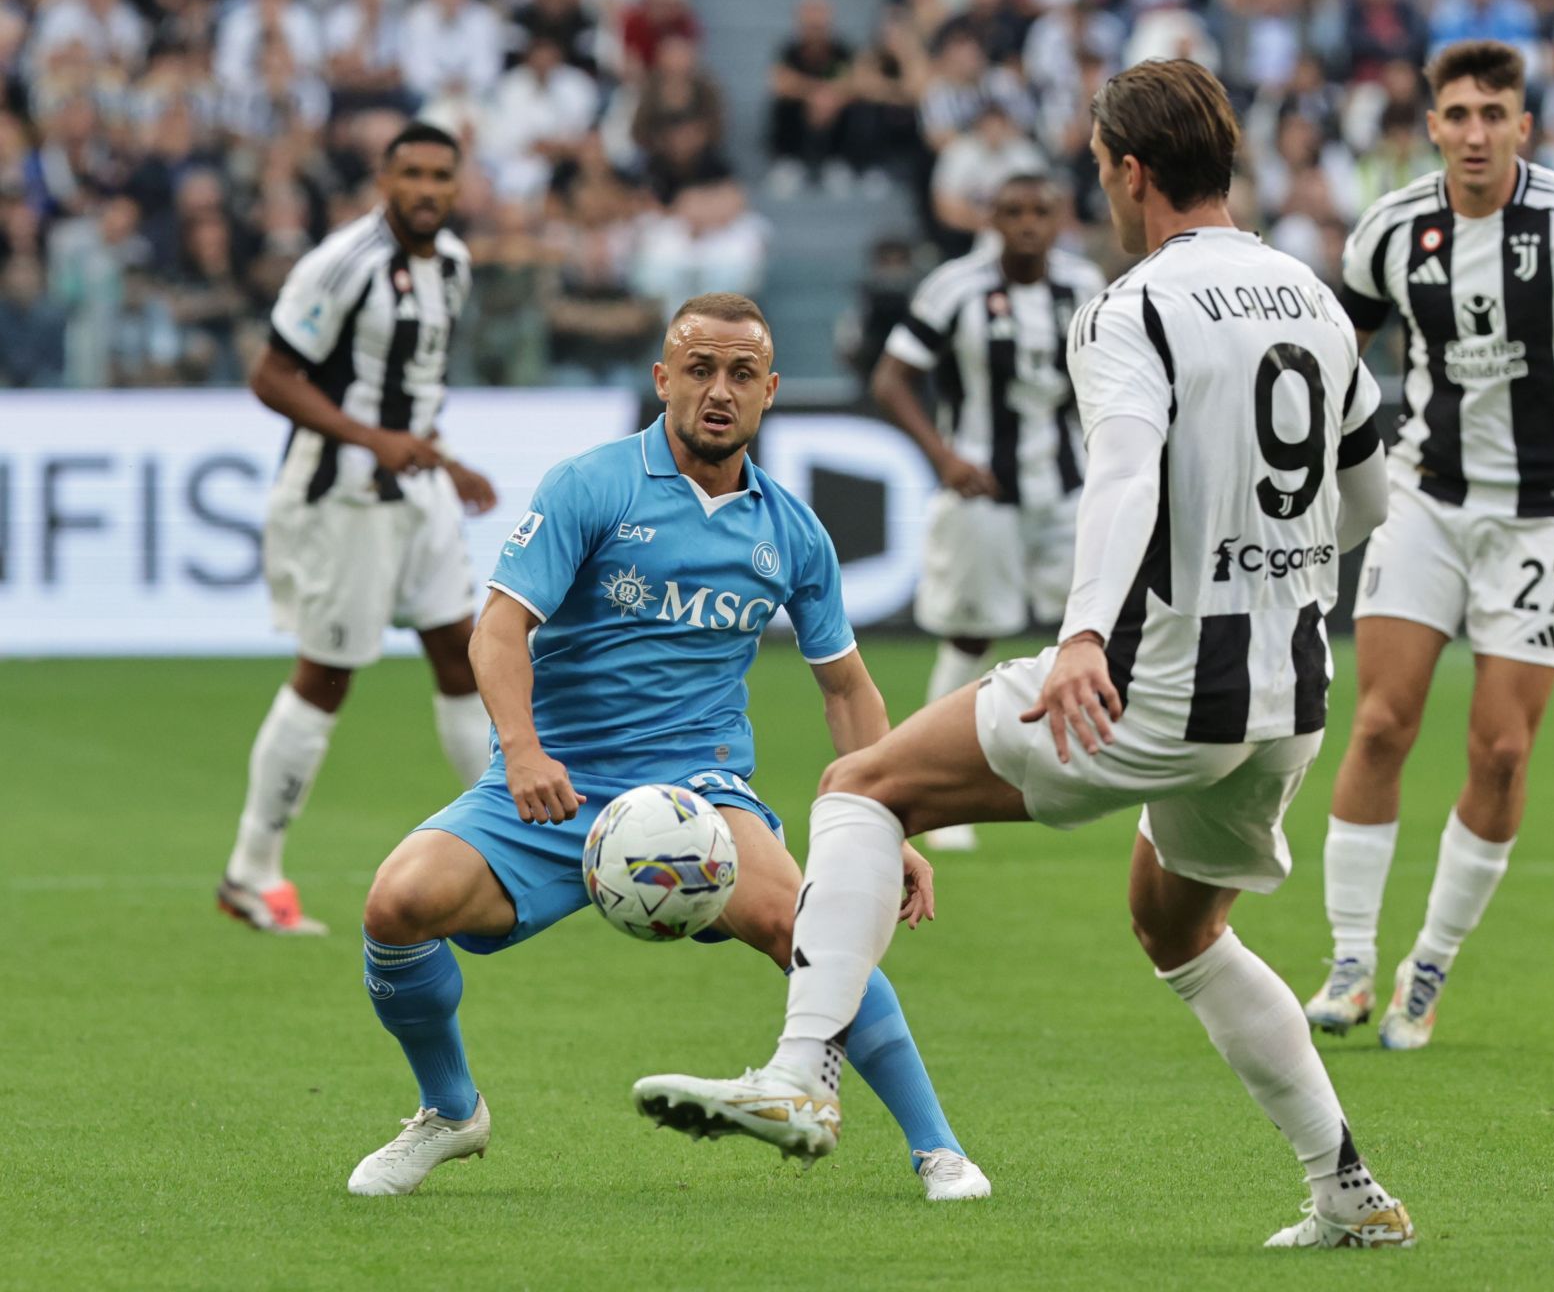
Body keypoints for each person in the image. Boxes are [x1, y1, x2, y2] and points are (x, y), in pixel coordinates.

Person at [637, 61, 1416, 1252]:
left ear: (1132, 172)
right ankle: (1346, 1190)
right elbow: (1363, 496)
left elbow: (1120, 474)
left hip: (1152, 683)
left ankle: (801, 1071)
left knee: (860, 788)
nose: (1098, 190)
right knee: (1178, 928)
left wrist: (1088, 633)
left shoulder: (1133, 304)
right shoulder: (1307, 295)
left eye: (1101, 169)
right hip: (1287, 694)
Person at [347, 294, 990, 1204]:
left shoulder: (793, 532)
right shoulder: (592, 484)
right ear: (663, 380)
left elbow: (847, 688)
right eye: (698, 370)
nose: (717, 392)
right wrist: (522, 752)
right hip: (557, 785)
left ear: (769, 392)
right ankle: (452, 1112)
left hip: (700, 792)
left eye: (739, 375)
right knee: (396, 904)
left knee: (812, 930)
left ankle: (940, 1151)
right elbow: (497, 629)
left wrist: (896, 828)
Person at [1308, 40, 1554, 1050]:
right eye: (1458, 115)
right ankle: (1351, 960)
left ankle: (1429, 964)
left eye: (1495, 113)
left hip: (1543, 510)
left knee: (1499, 751)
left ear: (1522, 126)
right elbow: (1328, 353)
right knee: (1380, 726)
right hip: (1425, 497)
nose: (1476, 132)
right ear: (1432, 127)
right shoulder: (1392, 230)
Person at [218, 123, 498, 936]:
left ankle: (517, 844)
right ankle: (250, 869)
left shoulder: (454, 264)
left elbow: (413, 391)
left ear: (456, 184)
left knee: (462, 651)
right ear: (383, 177)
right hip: (343, 495)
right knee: (328, 672)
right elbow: (270, 375)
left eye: (440, 175)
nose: (425, 189)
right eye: (409, 173)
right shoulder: (341, 264)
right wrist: (375, 442)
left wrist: (447, 464)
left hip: (420, 490)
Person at [869, 174, 1106, 851]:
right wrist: (943, 457)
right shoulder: (955, 287)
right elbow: (892, 378)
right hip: (982, 487)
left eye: (1041, 211)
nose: (1028, 224)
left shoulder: (1085, 286)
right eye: (1013, 212)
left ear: (1061, 217)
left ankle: (1089, 774)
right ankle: (940, 793)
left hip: (1071, 489)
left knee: (1097, 631)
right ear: (992, 220)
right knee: (971, 637)